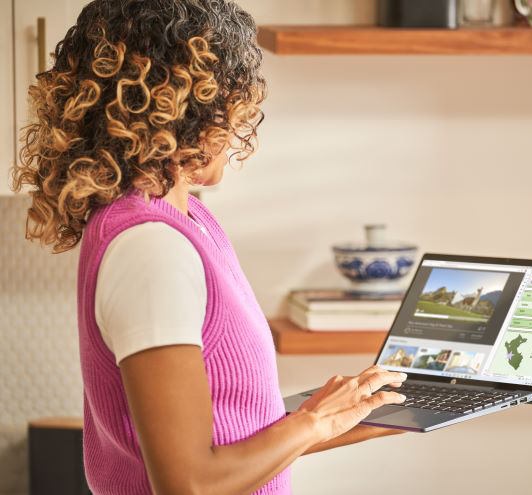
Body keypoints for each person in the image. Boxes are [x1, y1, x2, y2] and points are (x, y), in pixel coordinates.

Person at [10, 1, 408, 494]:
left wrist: (356, 415)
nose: (242, 120)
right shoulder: (150, 249)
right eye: (237, 99)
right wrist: (311, 423)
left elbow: (232, 435)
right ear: (194, 105)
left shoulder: (187, 220)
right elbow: (190, 482)